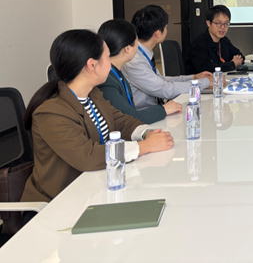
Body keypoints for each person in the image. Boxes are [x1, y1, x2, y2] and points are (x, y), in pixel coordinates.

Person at [21, 30, 174, 205]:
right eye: (107, 57)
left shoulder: (92, 94)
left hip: (96, 189)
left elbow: (120, 120)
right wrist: (143, 147)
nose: (111, 63)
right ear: (92, 65)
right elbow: (87, 156)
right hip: (59, 203)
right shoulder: (51, 112)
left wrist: (147, 133)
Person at [123, 5, 211, 110]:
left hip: (155, 109)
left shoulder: (143, 53)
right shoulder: (134, 61)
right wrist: (205, 82)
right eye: (165, 27)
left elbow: (161, 80)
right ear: (157, 33)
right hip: (145, 114)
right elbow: (165, 90)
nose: (166, 30)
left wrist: (193, 78)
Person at [97, 19, 182, 124]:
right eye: (136, 41)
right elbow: (129, 117)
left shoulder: (115, 72)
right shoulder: (106, 80)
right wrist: (163, 109)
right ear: (127, 49)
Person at [185, 4, 245, 74]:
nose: (223, 27)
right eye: (218, 23)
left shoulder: (224, 40)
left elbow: (239, 55)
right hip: (202, 80)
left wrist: (237, 61)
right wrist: (232, 64)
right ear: (208, 23)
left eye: (226, 23)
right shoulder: (198, 44)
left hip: (222, 78)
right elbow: (207, 69)